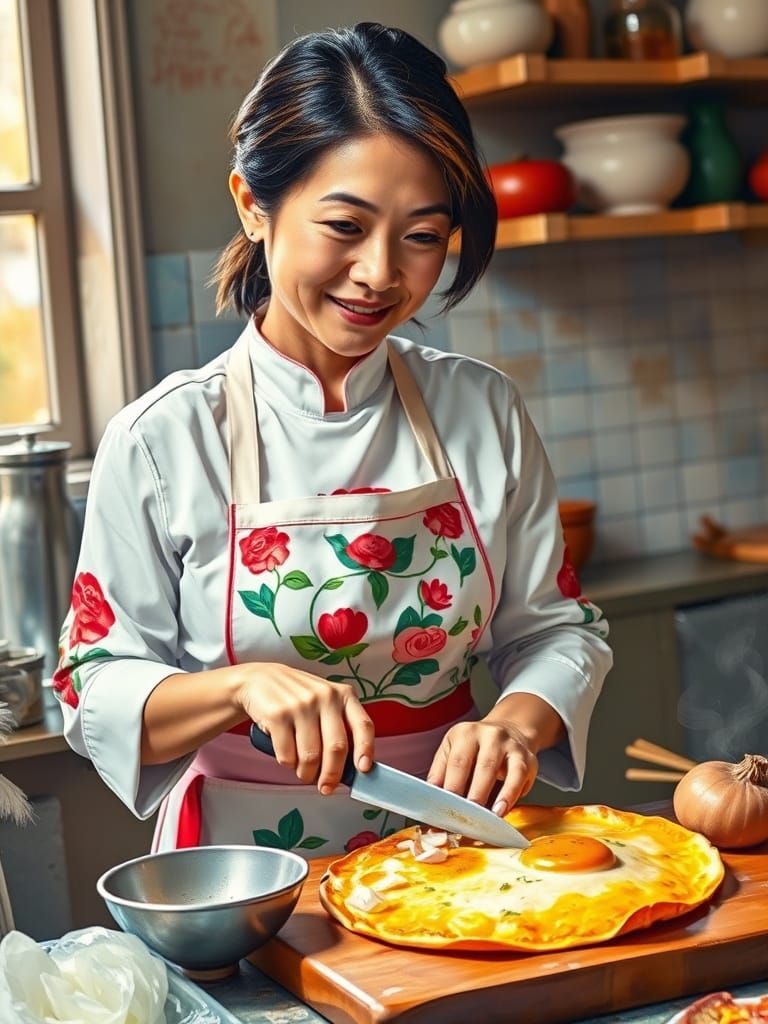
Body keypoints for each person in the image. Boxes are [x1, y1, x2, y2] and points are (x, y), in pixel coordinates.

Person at [53, 22, 612, 856]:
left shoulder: (483, 410)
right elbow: (90, 684)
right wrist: (239, 689)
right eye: (345, 227)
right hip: (246, 879)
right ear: (253, 204)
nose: (382, 273)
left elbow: (558, 630)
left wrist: (514, 724)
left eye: (422, 236)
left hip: (454, 851)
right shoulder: (162, 439)